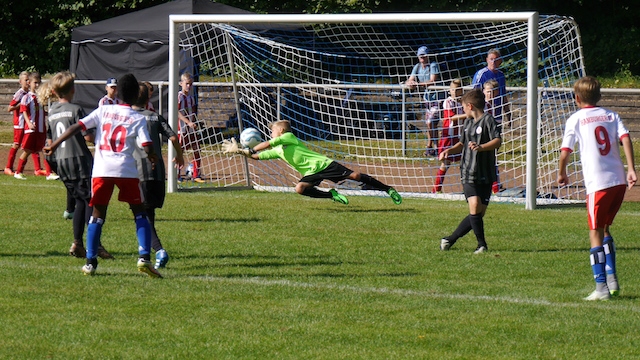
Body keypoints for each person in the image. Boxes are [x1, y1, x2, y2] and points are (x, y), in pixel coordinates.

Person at [44, 73, 161, 278]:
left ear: (119, 94)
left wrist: (53, 144)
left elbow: (77, 126)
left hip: (102, 170)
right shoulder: (138, 117)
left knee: (97, 215)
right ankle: (144, 257)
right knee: (139, 212)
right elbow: (147, 144)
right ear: (135, 96)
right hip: (126, 169)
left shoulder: (104, 110)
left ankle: (90, 262)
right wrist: (152, 156)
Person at [557, 76, 637, 301]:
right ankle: (612, 281)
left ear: (577, 98)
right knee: (605, 229)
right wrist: (631, 169)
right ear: (599, 96)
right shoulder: (611, 115)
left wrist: (562, 172)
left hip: (598, 184)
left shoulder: (576, 119)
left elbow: (565, 151)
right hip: (618, 181)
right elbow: (626, 138)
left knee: (594, 232)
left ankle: (601, 287)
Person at [222, 120, 402, 205]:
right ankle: (331, 195)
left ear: (282, 131)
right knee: (300, 188)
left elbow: (267, 144)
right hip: (311, 173)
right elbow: (257, 157)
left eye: (273, 130)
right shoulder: (278, 150)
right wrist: (241, 152)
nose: (271, 133)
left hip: (323, 164)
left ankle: (388, 189)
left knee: (355, 176)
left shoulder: (289, 137)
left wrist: (252, 149)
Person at [41, 71, 113, 259]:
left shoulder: (52, 113)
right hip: (79, 159)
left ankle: (77, 243)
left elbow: (49, 140)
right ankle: (94, 245)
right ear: (73, 89)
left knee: (80, 200)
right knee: (91, 200)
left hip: (61, 162)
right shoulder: (76, 109)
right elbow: (87, 135)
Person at [438, 89, 502, 254]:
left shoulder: (488, 120)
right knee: (474, 205)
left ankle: (450, 239)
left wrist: (481, 147)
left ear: (470, 106)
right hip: (468, 171)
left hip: (486, 172)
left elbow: (497, 141)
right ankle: (482, 245)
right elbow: (461, 144)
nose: (463, 111)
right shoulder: (467, 123)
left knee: (479, 213)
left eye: (463, 107)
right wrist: (448, 151)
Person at [133, 83, 185, 269]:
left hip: (138, 173)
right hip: (158, 173)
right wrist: (179, 155)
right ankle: (148, 254)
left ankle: (157, 250)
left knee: (141, 215)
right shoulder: (155, 117)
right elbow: (173, 137)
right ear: (149, 99)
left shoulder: (129, 118)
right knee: (148, 214)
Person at [14, 71, 52, 180]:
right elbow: (24, 111)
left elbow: (40, 111)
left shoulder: (40, 98)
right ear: (29, 83)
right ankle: (18, 171)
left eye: (39, 83)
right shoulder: (27, 97)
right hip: (31, 129)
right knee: (28, 150)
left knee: (44, 149)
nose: (37, 85)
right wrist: (29, 123)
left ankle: (49, 173)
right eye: (35, 83)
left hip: (41, 129)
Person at [405, 46, 440, 157]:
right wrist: (409, 83)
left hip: (437, 99)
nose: (422, 58)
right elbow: (410, 79)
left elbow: (432, 81)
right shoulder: (417, 67)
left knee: (431, 123)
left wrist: (418, 84)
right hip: (426, 99)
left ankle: (431, 146)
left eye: (424, 55)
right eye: (420, 55)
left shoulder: (433, 65)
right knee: (430, 124)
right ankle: (434, 147)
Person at [433, 79, 466, 193]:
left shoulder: (463, 102)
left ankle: (467, 188)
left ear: (461, 90)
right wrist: (468, 115)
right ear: (449, 90)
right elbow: (451, 117)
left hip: (460, 136)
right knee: (445, 163)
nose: (455, 92)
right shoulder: (448, 102)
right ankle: (436, 189)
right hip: (449, 136)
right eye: (453, 90)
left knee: (466, 162)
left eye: (457, 90)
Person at [483, 79, 509, 193]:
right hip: (482, 135)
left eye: (492, 92)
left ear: (497, 92)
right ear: (483, 91)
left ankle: (495, 186)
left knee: (492, 160)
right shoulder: (482, 105)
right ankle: (494, 186)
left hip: (491, 134)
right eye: (488, 92)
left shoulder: (493, 105)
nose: (490, 94)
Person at [472, 48, 511, 126]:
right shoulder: (481, 74)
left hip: (497, 115)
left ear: (500, 61)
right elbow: (474, 95)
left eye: (496, 60)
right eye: (491, 59)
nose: (493, 62)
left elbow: (503, 96)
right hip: (484, 115)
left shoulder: (501, 75)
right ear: (487, 60)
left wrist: (508, 114)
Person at [178, 72, 204, 183]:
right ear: (181, 83)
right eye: (187, 84)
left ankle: (196, 174)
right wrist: (188, 122)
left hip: (191, 129)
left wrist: (194, 123)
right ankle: (177, 175)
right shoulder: (178, 96)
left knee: (197, 149)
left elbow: (192, 112)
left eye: (190, 84)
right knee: (179, 152)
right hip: (182, 129)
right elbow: (176, 112)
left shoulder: (191, 98)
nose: (189, 86)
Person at [5, 71, 30, 176]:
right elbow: (9, 108)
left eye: (29, 79)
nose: (28, 82)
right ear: (20, 82)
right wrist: (21, 104)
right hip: (19, 123)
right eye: (26, 80)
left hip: (27, 123)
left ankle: (38, 169)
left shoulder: (30, 93)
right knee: (16, 144)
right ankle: (8, 167)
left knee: (30, 144)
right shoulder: (19, 94)